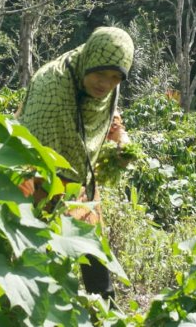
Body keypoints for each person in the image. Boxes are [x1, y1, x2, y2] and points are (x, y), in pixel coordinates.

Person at [18, 26, 134, 301]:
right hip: (35, 173)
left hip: (78, 180)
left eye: (115, 77)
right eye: (100, 73)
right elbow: (31, 145)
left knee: (92, 244)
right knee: (38, 253)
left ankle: (105, 311)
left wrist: (122, 140)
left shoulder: (105, 93)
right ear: (89, 60)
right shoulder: (52, 87)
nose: (105, 84)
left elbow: (112, 120)